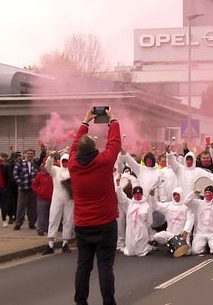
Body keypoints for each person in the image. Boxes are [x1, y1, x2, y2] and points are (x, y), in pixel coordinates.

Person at [68, 107, 121, 305]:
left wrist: (84, 122)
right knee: (105, 266)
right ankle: (109, 302)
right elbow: (114, 143)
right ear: (94, 150)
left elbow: (74, 146)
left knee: (83, 267)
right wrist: (113, 121)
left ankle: (80, 302)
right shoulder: (104, 162)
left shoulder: (72, 164)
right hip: (105, 222)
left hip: (82, 224)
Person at [43, 152, 74, 254]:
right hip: (57, 199)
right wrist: (51, 157)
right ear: (61, 161)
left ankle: (65, 243)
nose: (65, 163)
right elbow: (48, 166)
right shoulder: (56, 170)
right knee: (53, 219)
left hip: (69, 199)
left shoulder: (73, 171)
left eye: (67, 161)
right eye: (64, 161)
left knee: (68, 221)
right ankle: (50, 244)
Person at [186, 185, 213, 255]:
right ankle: (205, 245)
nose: (208, 194)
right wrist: (193, 193)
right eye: (206, 192)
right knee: (195, 251)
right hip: (200, 233)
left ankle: (210, 245)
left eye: (210, 192)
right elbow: (186, 202)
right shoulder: (199, 203)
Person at [151, 187, 195, 256]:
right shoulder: (168, 205)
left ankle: (176, 246)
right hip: (170, 234)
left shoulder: (186, 207)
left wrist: (186, 231)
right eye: (174, 195)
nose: (176, 196)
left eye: (178, 194)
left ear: (181, 195)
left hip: (182, 234)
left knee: (187, 252)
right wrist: (152, 196)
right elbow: (156, 205)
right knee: (157, 236)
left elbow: (190, 219)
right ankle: (171, 245)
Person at [116, 184, 155, 257]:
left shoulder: (146, 206)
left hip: (141, 229)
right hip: (130, 230)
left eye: (139, 194)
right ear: (133, 194)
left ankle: (147, 247)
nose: (137, 195)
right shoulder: (129, 203)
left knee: (140, 252)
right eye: (136, 194)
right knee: (130, 252)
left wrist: (143, 228)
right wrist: (118, 185)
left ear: (142, 194)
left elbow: (149, 221)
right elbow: (122, 196)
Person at [13, 147, 45, 230]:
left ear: (34, 155)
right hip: (23, 189)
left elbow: (43, 159)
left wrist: (43, 151)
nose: (30, 155)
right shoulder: (19, 163)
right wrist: (20, 183)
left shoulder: (35, 163)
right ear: (25, 154)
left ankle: (32, 223)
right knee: (20, 207)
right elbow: (15, 174)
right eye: (28, 153)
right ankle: (18, 223)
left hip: (33, 190)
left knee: (32, 208)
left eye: (31, 153)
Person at [31, 162, 53, 237]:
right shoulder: (39, 175)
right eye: (44, 166)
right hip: (42, 198)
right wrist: (39, 191)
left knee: (50, 215)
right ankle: (40, 229)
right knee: (42, 215)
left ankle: (48, 229)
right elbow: (34, 185)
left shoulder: (53, 175)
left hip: (52, 198)